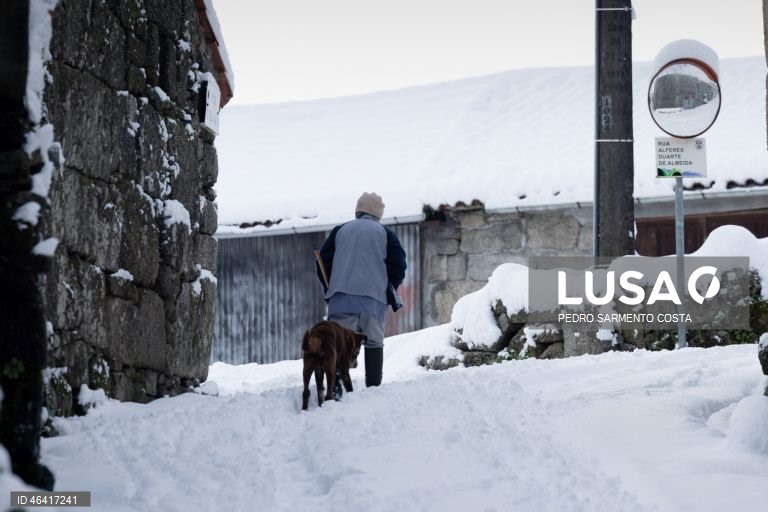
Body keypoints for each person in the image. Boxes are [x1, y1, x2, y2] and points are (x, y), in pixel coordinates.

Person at [316, 192, 406, 397]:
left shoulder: (340, 231)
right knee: (374, 342)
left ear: (358, 211)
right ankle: (373, 389)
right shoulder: (386, 233)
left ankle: (335, 388)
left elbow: (322, 262)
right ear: (378, 214)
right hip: (373, 300)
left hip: (341, 298)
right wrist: (388, 285)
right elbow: (399, 265)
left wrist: (330, 287)